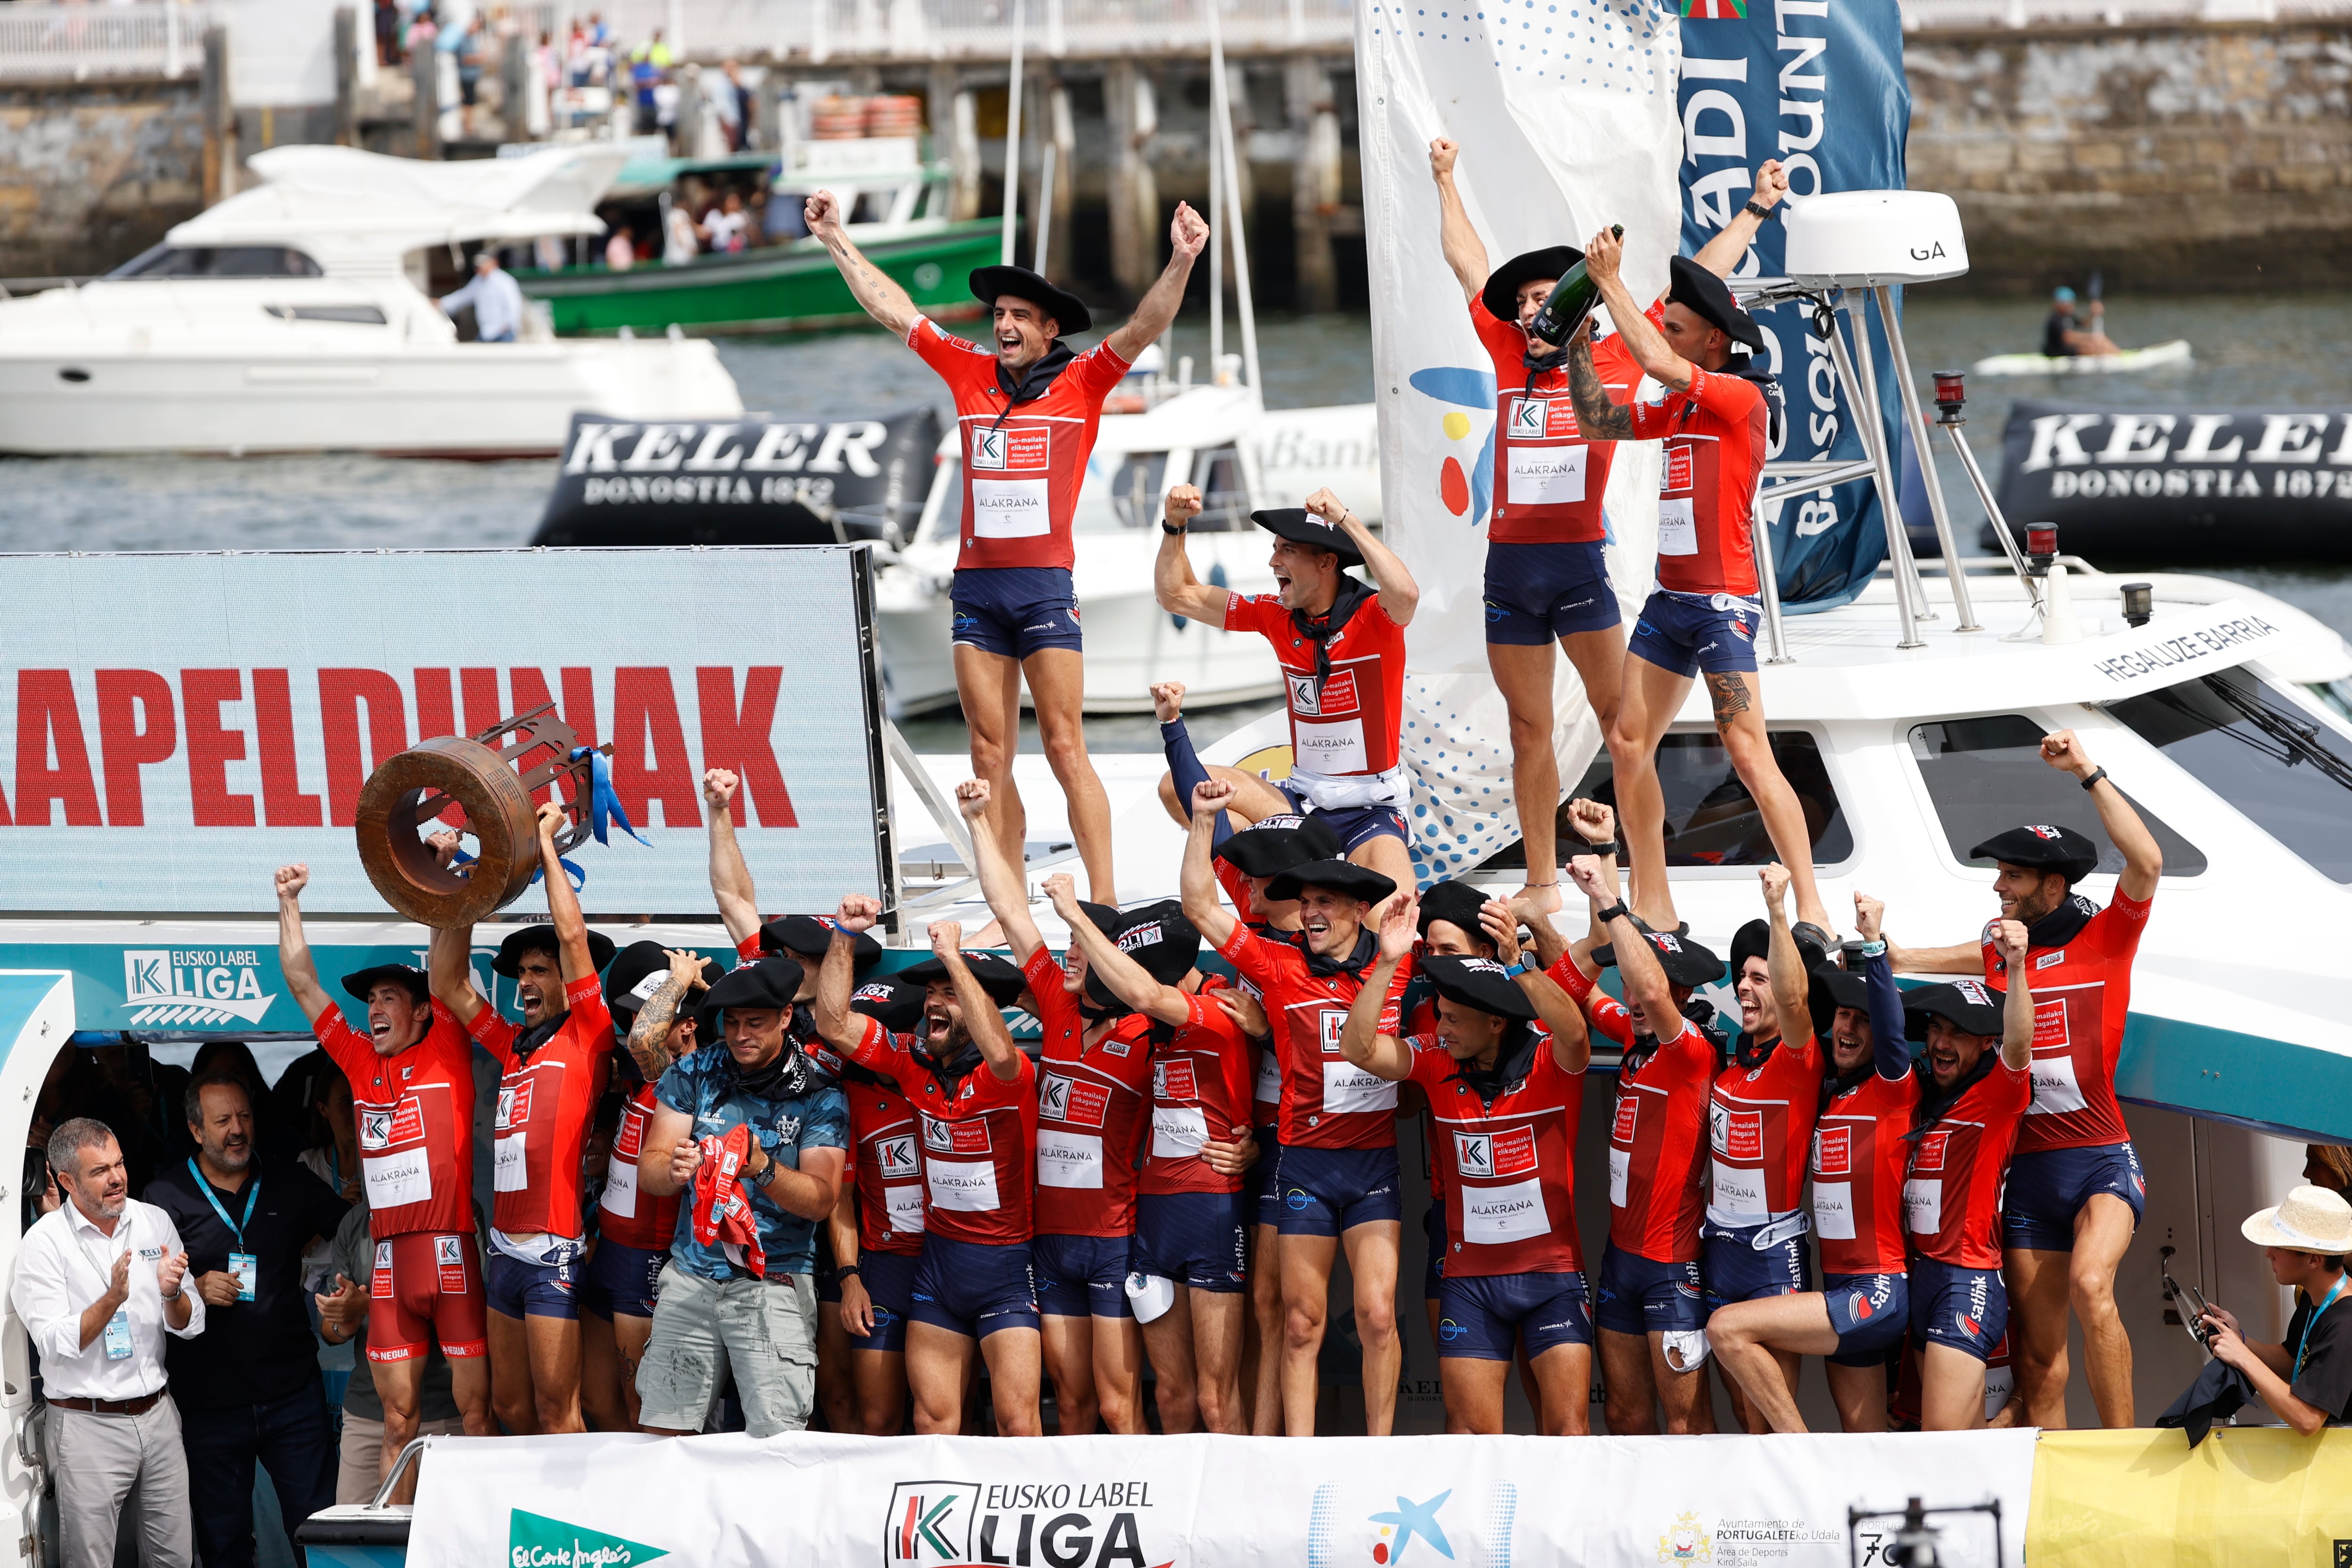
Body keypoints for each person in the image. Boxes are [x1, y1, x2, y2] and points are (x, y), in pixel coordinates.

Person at [805, 191, 1210, 906]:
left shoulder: (1084, 379)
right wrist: (836, 236)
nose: (1004, 325)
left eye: (1020, 316)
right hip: (977, 592)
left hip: (1045, 586)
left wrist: (1181, 257)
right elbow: (894, 309)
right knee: (989, 754)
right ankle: (1009, 904)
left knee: (1063, 746)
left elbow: (1146, 326)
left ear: (1050, 329)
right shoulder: (966, 370)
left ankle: (1107, 903)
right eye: (998, 316)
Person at [1426, 139, 1791, 912]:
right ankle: (1540, 882)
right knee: (1529, 729)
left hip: (1580, 570)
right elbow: (1466, 259)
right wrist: (1445, 178)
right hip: (1511, 574)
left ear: (1573, 308)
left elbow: (1703, 282)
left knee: (1622, 731)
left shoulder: (1620, 359)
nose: (1531, 309)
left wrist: (1757, 208)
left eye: (1543, 298)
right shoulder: (1502, 353)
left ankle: (1633, 882)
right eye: (1521, 300)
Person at [1562, 227, 1836, 944]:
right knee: (1626, 742)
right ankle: (1653, 898)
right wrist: (1576, 347)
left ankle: (1813, 907)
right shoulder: (1679, 408)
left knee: (1747, 751)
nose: (1665, 337)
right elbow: (1598, 419)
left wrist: (1614, 282)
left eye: (1678, 327)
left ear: (1713, 341)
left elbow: (1651, 355)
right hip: (1670, 601)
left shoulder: (1737, 397)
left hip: (1723, 605)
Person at [1889, 730, 2161, 1430]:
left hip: (2100, 1155)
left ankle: (2121, 1456)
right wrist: (1899, 957)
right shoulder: (1999, 945)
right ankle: (2057, 1484)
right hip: (2031, 1172)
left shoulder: (2108, 936)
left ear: (2052, 884)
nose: (1998, 886)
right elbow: (1967, 955)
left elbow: (2148, 861)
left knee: (2092, 1283)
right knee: (2040, 1363)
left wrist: (2086, 771)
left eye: (2010, 875)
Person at [1179, 776, 1406, 1436]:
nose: (1309, 912)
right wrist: (1202, 821)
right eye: (1302, 900)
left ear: (1358, 908)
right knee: (1302, 1321)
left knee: (1377, 1316)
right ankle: (1298, 1465)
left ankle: (1379, 1454)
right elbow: (1198, 904)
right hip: (1304, 1165)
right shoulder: (1278, 966)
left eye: (1324, 901)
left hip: (1374, 1169)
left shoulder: (1397, 965)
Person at [274, 866, 492, 1490]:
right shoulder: (356, 1058)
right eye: (369, 1000)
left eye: (388, 997)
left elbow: (448, 959)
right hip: (391, 1262)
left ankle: (478, 1537)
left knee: (477, 1418)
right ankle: (390, 1545)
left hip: (449, 1252)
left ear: (422, 1011)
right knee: (398, 1422)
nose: (373, 1007)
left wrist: (448, 876)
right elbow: (301, 981)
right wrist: (288, 902)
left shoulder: (445, 1044)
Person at [1343, 894, 1595, 1434]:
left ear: (1497, 1022)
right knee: (1471, 1440)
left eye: (1455, 1020)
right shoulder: (1437, 1058)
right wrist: (1387, 963)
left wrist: (1515, 965)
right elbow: (1359, 1049)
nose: (1443, 1028)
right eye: (1441, 1017)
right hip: (1469, 1283)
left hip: (1549, 1277)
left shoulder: (1550, 1064)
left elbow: (1574, 1032)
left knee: (1568, 1436)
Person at [963, 793, 1155, 1436]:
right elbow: (1009, 911)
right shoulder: (1056, 1004)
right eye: (1070, 943)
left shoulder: (1146, 1027)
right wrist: (977, 822)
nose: (1071, 955)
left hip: (1110, 1243)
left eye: (1084, 946)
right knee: (1069, 1406)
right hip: (1050, 1243)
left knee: (1117, 1405)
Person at [817, 901, 1045, 1435]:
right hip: (938, 1273)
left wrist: (955, 959)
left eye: (951, 994)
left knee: (1017, 1425)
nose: (934, 1005)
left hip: (1005, 1273)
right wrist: (844, 936)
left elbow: (1001, 1054)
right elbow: (832, 1023)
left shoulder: (1008, 1075)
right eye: (931, 994)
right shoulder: (909, 1062)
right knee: (932, 1423)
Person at [429, 800, 618, 1437]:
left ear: (569, 981)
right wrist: (461, 878)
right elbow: (449, 980)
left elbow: (571, 937)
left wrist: (541, 843)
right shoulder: (511, 1042)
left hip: (554, 1252)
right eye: (522, 974)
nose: (528, 982)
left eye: (541, 972)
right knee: (511, 1411)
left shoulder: (588, 1034)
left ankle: (582, 1535)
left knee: (559, 1414)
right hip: (504, 1249)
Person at [1044, 882, 1257, 1434]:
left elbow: (1144, 995)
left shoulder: (1213, 1012)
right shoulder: (1154, 1034)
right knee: (1172, 1393)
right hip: (1152, 1219)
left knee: (1215, 1397)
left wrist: (1073, 914)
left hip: (1210, 1210)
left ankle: (1236, 1513)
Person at [1708, 892, 1915, 1433]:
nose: (1847, 1029)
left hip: (1876, 1292)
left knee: (1727, 1330)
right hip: (1839, 1288)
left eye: (1860, 1021)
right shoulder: (1832, 1095)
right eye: (1842, 1017)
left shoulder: (1893, 1090)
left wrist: (1872, 947)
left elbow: (1889, 1033)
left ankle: (1801, 1457)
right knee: (1863, 1441)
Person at [1155, 486, 1422, 891]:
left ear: (1327, 562)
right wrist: (1175, 525)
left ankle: (1295, 890)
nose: (1272, 561)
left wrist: (1346, 518)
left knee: (1389, 929)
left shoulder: (1375, 616)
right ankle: (1266, 906)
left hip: (1370, 809)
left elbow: (1407, 593)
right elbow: (1177, 595)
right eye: (1275, 548)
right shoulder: (1276, 615)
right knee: (1175, 788)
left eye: (1287, 551)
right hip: (1301, 802)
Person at [634, 955, 849, 1437]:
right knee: (663, 1437)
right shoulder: (694, 1071)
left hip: (775, 1281)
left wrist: (765, 1169)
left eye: (755, 1023)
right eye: (731, 1024)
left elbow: (821, 1201)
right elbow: (649, 1167)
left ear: (786, 1018)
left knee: (779, 1443)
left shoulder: (820, 1091)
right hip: (691, 1277)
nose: (740, 1035)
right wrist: (672, 1170)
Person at [143, 1072, 346, 1567]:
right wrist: (194, 1288)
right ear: (195, 1130)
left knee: (318, 1532)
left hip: (293, 1397)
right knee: (224, 1544)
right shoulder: (163, 1198)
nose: (237, 1130)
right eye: (222, 1121)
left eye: (244, 1116)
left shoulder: (289, 1180)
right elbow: (141, 1292)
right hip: (210, 1406)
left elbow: (352, 1228)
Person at [1553, 852, 1721, 1434]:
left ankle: (1696, 1529)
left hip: (1672, 1266)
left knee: (1684, 1423)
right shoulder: (1633, 1032)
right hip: (1620, 1260)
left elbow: (1651, 992)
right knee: (1623, 1414)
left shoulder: (1690, 1050)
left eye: (1640, 983)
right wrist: (1531, 932)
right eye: (1622, 981)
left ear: (1678, 990)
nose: (1630, 994)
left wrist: (1605, 894)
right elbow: (1578, 992)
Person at [13, 1119, 200, 1568]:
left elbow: (191, 1323)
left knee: (175, 1558)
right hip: (87, 1425)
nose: (117, 1178)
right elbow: (55, 1344)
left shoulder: (152, 1220)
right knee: (91, 1561)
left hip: (158, 1416)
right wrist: (113, 1297)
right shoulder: (43, 1244)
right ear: (67, 1181)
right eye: (100, 1171)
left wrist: (173, 1295)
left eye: (119, 1164)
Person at [1696, 868, 1827, 1432]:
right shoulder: (1732, 1059)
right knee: (1742, 1413)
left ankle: (1802, 1506)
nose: (1744, 987)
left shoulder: (1796, 1059)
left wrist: (1777, 909)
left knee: (1769, 1418)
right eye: (1740, 978)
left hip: (1772, 1252)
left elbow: (1796, 1001)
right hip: (1719, 1247)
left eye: (1759, 976)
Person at [1902, 922, 2037, 1432]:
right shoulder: (1927, 1096)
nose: (1939, 1042)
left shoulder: (1997, 1097)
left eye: (1955, 1032)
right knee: (1945, 1437)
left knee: (1942, 1444)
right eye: (1935, 1028)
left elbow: (2020, 1041)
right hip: (1921, 1276)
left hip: (1965, 1280)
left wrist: (2019, 966)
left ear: (1984, 1043)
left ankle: (2013, 1418)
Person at [578, 943, 711, 1433]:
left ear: (686, 1026)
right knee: (597, 1401)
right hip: (610, 1254)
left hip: (648, 1262)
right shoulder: (644, 1081)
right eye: (634, 1013)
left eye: (648, 1016)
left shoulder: (686, 1081)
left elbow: (640, 1043)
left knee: (644, 1412)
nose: (634, 1025)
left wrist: (678, 981)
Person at [826, 977, 930, 1435]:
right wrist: (851, 1280)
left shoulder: (946, 1079)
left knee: (947, 1418)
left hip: (948, 1261)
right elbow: (839, 1200)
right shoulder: (847, 1096)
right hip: (884, 1268)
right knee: (878, 1421)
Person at [316, 1197, 466, 1500]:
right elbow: (331, 1332)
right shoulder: (355, 1221)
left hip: (442, 1410)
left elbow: (464, 1306)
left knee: (442, 1537)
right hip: (368, 1411)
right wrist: (344, 1317)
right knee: (353, 1533)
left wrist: (371, 1306)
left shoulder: (456, 1209)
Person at [2197, 1186, 2352, 1433]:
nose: (2269, 1253)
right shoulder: (2317, 1299)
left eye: (2279, 1246)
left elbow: (2308, 1420)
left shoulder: (2345, 1324)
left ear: (2314, 1260)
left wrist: (2243, 1357)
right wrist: (2241, 1340)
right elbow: (2294, 1360)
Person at [440, 249, 525, 343]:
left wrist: (507, 326)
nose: (480, 268)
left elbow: (514, 306)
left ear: (493, 262)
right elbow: (463, 296)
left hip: (503, 334)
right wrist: (442, 303)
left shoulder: (505, 281)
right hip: (486, 334)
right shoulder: (478, 281)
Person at [2042, 287, 2119, 358]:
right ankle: (2116, 357)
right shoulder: (2055, 319)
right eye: (2069, 304)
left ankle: (2118, 354)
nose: (2072, 306)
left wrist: (2093, 314)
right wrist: (2092, 338)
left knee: (2098, 342)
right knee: (2091, 347)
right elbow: (2067, 338)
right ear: (2060, 305)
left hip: (2066, 349)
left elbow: (2084, 324)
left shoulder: (2069, 316)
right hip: (2056, 352)